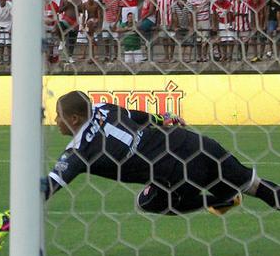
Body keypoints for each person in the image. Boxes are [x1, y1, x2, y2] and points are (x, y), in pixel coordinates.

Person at [45, 91, 280, 216]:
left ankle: (219, 200)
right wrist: (163, 118)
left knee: (144, 202)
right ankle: (228, 196)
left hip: (177, 172)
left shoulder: (79, 151)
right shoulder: (103, 108)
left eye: (58, 115)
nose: (56, 120)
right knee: (255, 186)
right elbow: (136, 115)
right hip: (192, 142)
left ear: (74, 119)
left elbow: (48, 188)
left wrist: (7, 221)